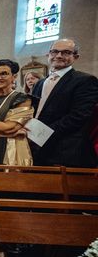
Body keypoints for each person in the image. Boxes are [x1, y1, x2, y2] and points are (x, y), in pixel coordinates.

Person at [30, 38, 98, 168]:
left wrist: (41, 134)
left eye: (66, 52)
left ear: (75, 57)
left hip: (66, 152)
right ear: (48, 55)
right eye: (55, 52)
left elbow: (78, 117)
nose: (59, 56)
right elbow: (34, 113)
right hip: (38, 150)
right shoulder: (40, 83)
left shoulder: (85, 81)